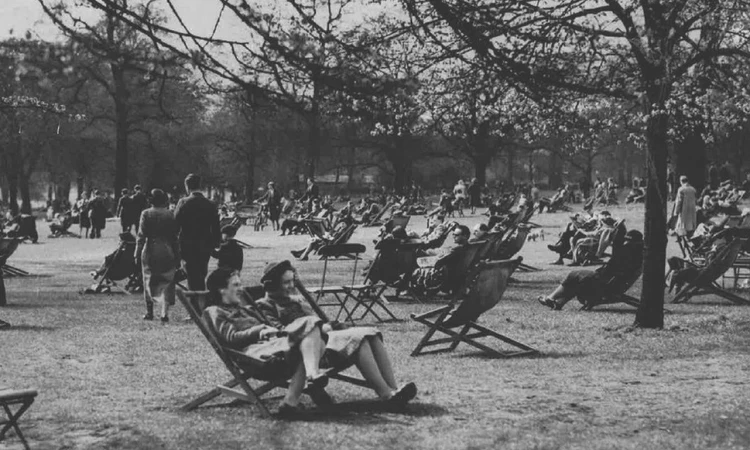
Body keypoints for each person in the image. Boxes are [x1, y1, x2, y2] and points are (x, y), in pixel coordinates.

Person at [255, 261, 417, 412]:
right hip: (307, 349)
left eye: (292, 281)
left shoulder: (295, 300)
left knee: (370, 334)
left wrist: (306, 308)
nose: (291, 286)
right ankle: (386, 395)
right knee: (358, 340)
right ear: (273, 285)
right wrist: (316, 327)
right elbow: (280, 333)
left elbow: (317, 321)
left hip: (325, 338)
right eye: (286, 283)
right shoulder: (265, 305)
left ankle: (394, 390)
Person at [204, 267, 333, 416]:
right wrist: (260, 331)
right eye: (236, 285)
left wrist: (291, 300)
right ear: (221, 290)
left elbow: (271, 300)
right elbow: (231, 338)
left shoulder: (245, 309)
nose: (241, 289)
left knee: (316, 339)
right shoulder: (214, 311)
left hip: (273, 347)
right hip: (256, 357)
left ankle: (291, 402)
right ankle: (312, 378)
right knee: (310, 326)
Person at [538, 230, 643, 310]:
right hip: (613, 284)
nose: (625, 242)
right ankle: (558, 303)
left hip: (605, 284)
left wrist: (599, 271)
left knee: (574, 275)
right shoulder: (638, 255)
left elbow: (609, 269)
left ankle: (551, 298)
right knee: (580, 279)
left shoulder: (625, 253)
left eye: (627, 240)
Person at [135, 189, 179, 322]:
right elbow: (174, 237)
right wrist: (177, 255)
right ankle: (164, 313)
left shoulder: (146, 213)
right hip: (167, 249)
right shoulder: (170, 214)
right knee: (167, 280)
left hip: (150, 249)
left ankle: (150, 312)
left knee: (148, 279)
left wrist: (137, 252)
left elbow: (141, 235)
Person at [174, 174, 221, 291]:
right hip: (205, 244)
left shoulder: (183, 202)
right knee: (201, 273)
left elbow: (175, 224)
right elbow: (216, 226)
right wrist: (216, 244)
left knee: (191, 275)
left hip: (187, 244)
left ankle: (195, 301)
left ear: (187, 186)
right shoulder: (210, 204)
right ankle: (199, 298)